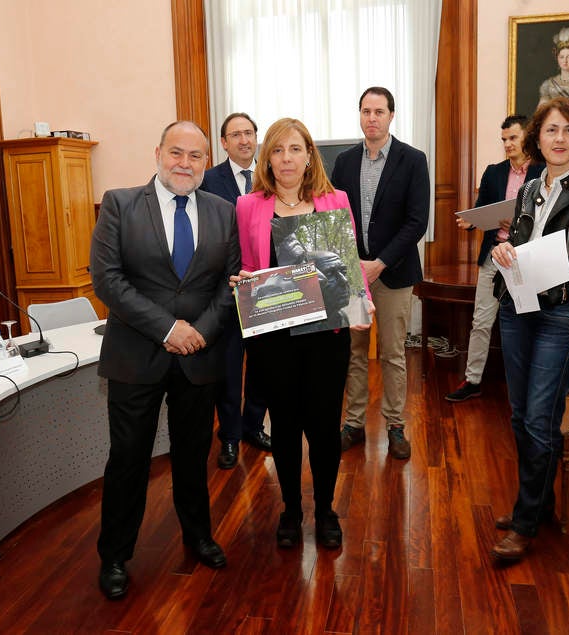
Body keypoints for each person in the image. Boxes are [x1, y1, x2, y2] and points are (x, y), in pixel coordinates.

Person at [90, 121, 241, 599]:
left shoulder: (223, 210)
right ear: (157, 152)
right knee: (128, 460)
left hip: (199, 355)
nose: (185, 163)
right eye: (176, 152)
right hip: (136, 356)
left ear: (205, 162)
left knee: (194, 457)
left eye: (195, 156)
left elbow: (231, 281)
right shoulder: (120, 204)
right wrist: (166, 328)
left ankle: (198, 536)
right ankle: (114, 555)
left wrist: (201, 331)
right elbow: (108, 279)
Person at [489, 97, 569, 563]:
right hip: (518, 309)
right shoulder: (527, 190)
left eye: (567, 130)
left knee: (542, 419)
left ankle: (525, 522)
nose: (558, 138)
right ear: (536, 139)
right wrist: (506, 252)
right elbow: (521, 246)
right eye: (549, 130)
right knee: (521, 416)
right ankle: (540, 503)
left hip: (564, 316)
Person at [232, 117, 371, 549]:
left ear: (310, 154)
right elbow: (249, 266)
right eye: (277, 150)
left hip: (326, 336)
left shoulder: (335, 200)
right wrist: (242, 282)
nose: (286, 158)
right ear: (266, 157)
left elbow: (350, 262)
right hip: (274, 338)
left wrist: (360, 303)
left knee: (325, 428)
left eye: (295, 149)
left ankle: (326, 510)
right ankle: (291, 511)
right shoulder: (249, 206)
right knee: (286, 428)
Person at [331, 86, 430, 460]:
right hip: (353, 275)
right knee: (354, 353)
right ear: (359, 115)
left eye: (379, 111)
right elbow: (336, 217)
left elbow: (417, 221)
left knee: (392, 353)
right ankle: (353, 423)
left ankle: (395, 424)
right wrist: (354, 264)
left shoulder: (413, 160)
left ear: (391, 116)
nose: (372, 118)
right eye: (365, 111)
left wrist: (380, 263)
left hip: (394, 273)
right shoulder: (343, 161)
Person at [445, 115, 544, 402]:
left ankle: (528, 383)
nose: (508, 144)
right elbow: (481, 210)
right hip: (493, 258)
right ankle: (472, 380)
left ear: (528, 137)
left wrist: (514, 224)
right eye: (504, 140)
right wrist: (472, 221)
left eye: (513, 138)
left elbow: (546, 218)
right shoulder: (493, 172)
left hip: (524, 258)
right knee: (481, 321)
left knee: (528, 320)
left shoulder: (543, 172)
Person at [200, 112, 271, 469]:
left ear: (256, 138)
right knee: (228, 369)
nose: (244, 140)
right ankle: (228, 436)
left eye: (249, 133)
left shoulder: (272, 175)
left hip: (265, 288)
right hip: (225, 290)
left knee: (261, 365)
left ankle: (253, 426)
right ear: (223, 143)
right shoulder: (208, 180)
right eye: (235, 135)